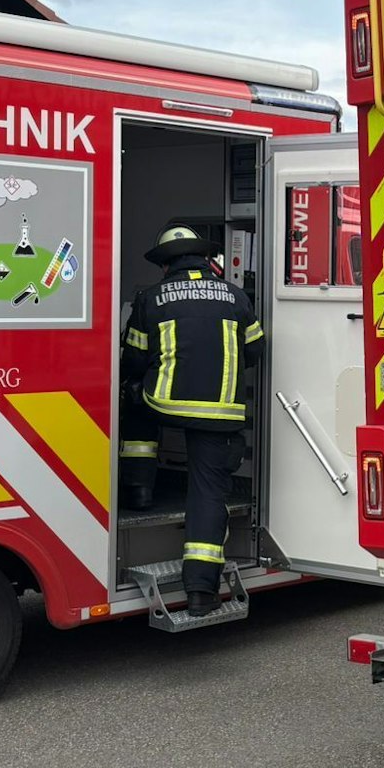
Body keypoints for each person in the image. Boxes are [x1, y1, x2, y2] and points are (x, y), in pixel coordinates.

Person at [120, 226, 264, 615]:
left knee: (133, 398)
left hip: (163, 403)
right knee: (207, 494)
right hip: (219, 413)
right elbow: (255, 350)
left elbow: (133, 359)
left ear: (166, 265)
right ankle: (201, 592)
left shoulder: (151, 298)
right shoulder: (236, 296)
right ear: (205, 260)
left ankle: (138, 490)